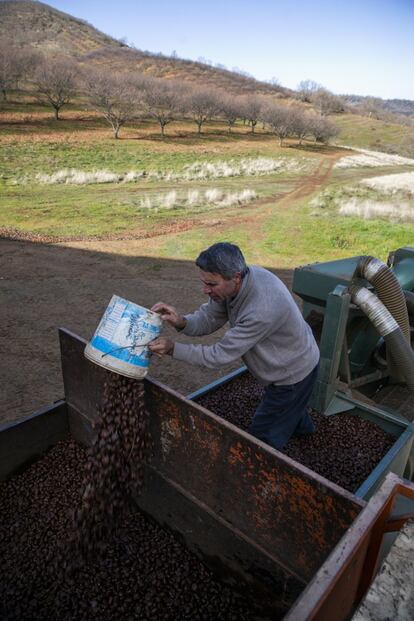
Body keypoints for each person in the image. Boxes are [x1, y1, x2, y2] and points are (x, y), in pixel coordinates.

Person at [149, 242, 320, 451]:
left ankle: (265, 471)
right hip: (288, 359)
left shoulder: (262, 309)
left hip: (291, 373)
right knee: (291, 409)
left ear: (236, 278)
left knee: (262, 437)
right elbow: (209, 317)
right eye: (204, 283)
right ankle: (304, 431)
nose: (205, 290)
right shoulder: (234, 284)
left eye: (211, 285)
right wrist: (181, 321)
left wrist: (172, 348)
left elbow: (217, 356)